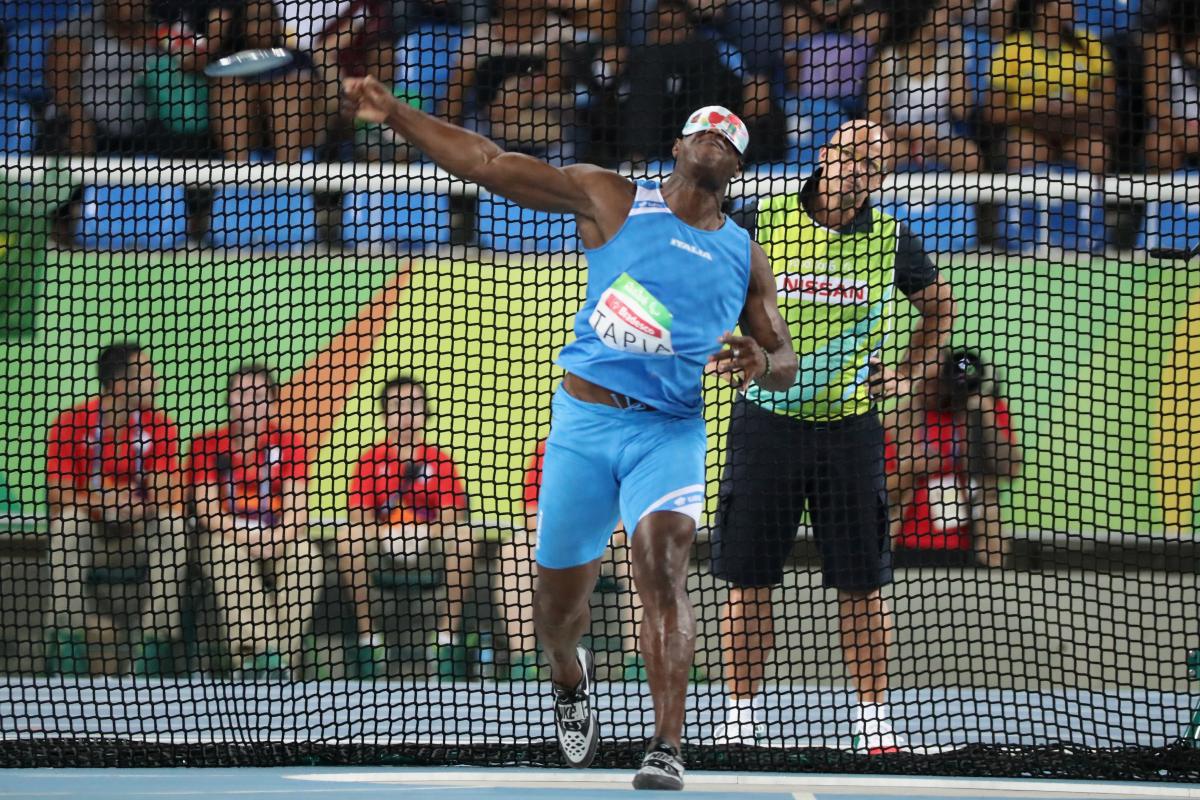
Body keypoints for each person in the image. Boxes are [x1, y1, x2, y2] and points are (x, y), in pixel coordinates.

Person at [343, 75, 797, 790]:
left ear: (737, 168)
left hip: (669, 433)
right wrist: (394, 112)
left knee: (663, 562)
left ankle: (666, 746)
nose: (714, 140)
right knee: (557, 610)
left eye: (729, 139)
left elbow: (784, 361)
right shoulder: (610, 198)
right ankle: (567, 675)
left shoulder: (745, 255)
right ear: (676, 147)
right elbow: (487, 164)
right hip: (585, 425)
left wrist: (762, 360)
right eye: (702, 131)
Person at [710, 119, 957, 753]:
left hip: (850, 433)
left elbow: (940, 308)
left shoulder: (893, 240)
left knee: (863, 581)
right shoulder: (761, 221)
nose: (858, 172)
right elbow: (710, 285)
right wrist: (721, 342)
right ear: (825, 156)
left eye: (873, 166)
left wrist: (907, 374)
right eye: (850, 157)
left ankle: (873, 722)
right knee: (749, 578)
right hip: (765, 425)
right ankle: (740, 718)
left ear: (881, 178)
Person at [44, 343, 190, 674]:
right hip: (91, 535)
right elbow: (58, 494)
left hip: (137, 536)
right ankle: (68, 646)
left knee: (174, 527)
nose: (155, 382)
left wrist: (138, 505)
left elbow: (167, 494)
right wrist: (103, 502)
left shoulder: (160, 427)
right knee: (68, 524)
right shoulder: (71, 424)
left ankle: (154, 647)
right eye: (147, 375)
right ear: (120, 383)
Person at [188, 364, 323, 676]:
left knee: (308, 558)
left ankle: (276, 664)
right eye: (242, 393)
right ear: (229, 399)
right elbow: (209, 512)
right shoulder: (206, 444)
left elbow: (297, 511)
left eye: (260, 395)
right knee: (226, 555)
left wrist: (277, 538)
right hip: (228, 536)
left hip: (278, 538)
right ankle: (260, 656)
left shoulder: (290, 444)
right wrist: (249, 537)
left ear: (273, 403)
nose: (250, 402)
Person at [335, 375, 471, 674]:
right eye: (397, 405)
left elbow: (452, 511)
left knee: (463, 537)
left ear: (425, 412)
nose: (406, 413)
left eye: (414, 404)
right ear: (385, 413)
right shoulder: (370, 460)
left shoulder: (439, 460)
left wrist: (424, 533)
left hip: (428, 543)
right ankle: (368, 639)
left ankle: (446, 638)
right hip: (384, 543)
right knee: (348, 537)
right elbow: (359, 513)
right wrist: (386, 534)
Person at [885, 349, 1022, 568]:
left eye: (937, 380)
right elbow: (884, 489)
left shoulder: (983, 411)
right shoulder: (899, 419)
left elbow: (1011, 470)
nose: (931, 389)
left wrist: (982, 407)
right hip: (909, 543)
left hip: (975, 543)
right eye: (924, 380)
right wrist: (912, 468)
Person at [983, 0, 1117, 174]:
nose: (1072, 5)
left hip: (1077, 129)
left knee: (1097, 152)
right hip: (1030, 130)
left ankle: (1090, 202)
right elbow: (993, 112)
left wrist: (1081, 104)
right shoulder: (1011, 49)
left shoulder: (1089, 44)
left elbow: (1109, 101)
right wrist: (1034, 108)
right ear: (1042, 8)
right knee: (1024, 152)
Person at [864, 0, 983, 172]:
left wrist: (957, 50)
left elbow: (962, 110)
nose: (948, 17)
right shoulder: (887, 61)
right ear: (923, 16)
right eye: (941, 11)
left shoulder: (948, 58)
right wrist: (912, 132)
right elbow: (873, 122)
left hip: (941, 142)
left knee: (971, 157)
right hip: (900, 141)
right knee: (879, 157)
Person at [1144, 14, 1200, 172]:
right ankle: (1160, 196)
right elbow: (1154, 99)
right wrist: (1180, 129)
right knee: (1160, 148)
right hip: (1172, 124)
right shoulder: (1163, 38)